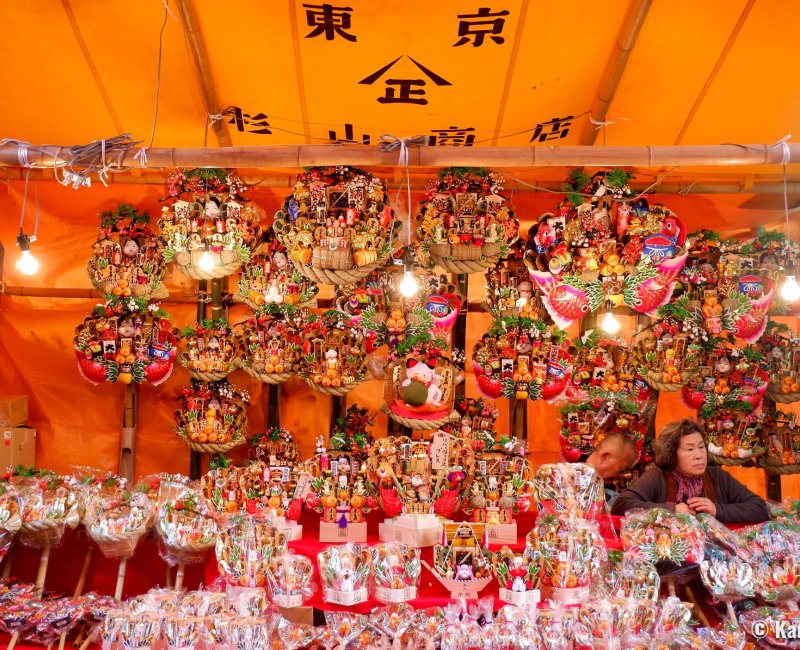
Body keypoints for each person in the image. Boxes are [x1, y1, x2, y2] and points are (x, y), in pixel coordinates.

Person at [611, 418, 769, 523]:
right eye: (689, 449)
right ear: (672, 453)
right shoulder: (657, 476)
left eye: (701, 447)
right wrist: (671, 510)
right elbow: (621, 505)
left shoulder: (717, 476)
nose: (699, 455)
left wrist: (718, 509)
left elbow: (760, 507)